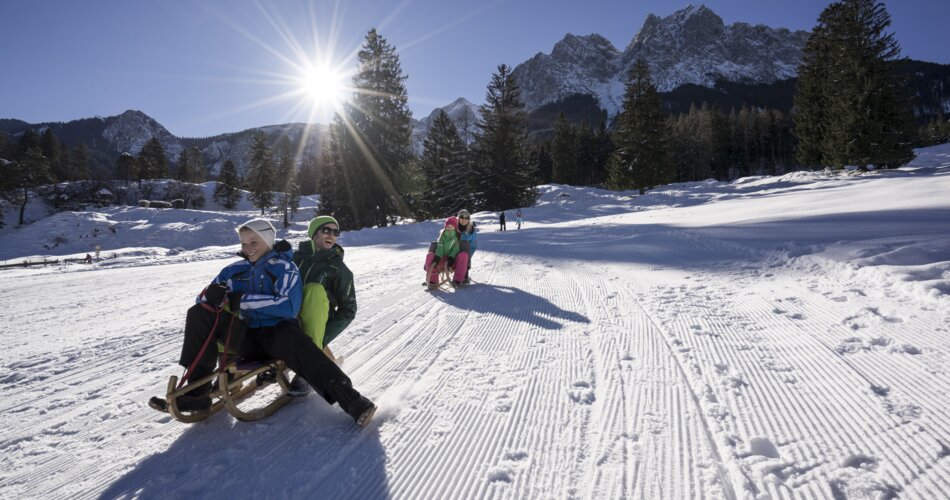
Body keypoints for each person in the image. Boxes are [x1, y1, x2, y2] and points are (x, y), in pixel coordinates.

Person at [157, 218, 375, 427]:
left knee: (297, 342)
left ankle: (352, 400)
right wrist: (210, 296)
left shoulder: (284, 267)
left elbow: (287, 306)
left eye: (254, 242)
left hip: (277, 335)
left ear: (268, 241)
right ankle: (197, 394)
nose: (248, 248)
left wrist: (241, 301)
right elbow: (205, 303)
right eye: (244, 243)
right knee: (198, 313)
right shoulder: (232, 271)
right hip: (245, 338)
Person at [292, 215, 356, 385]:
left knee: (314, 290)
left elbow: (348, 310)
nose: (332, 236)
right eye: (326, 230)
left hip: (317, 321)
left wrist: (321, 339)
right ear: (313, 233)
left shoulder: (338, 268)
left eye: (336, 232)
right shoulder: (294, 259)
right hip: (288, 315)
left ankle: (309, 367)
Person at [423, 216, 469, 287]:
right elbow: (440, 248)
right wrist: (437, 258)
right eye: (448, 226)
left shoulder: (457, 237)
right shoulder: (442, 236)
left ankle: (458, 279)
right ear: (445, 227)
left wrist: (451, 259)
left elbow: (455, 249)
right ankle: (432, 280)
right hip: (441, 261)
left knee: (464, 255)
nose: (449, 227)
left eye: (452, 226)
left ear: (455, 227)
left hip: (452, 262)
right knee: (430, 255)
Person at [456, 209, 478, 284]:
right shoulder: (453, 227)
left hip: (464, 253)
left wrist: (468, 256)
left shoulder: (471, 231)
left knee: (465, 243)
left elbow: (473, 246)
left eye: (466, 218)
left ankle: (464, 272)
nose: (464, 220)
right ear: (458, 218)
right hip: (452, 251)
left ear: (469, 219)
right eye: (462, 217)